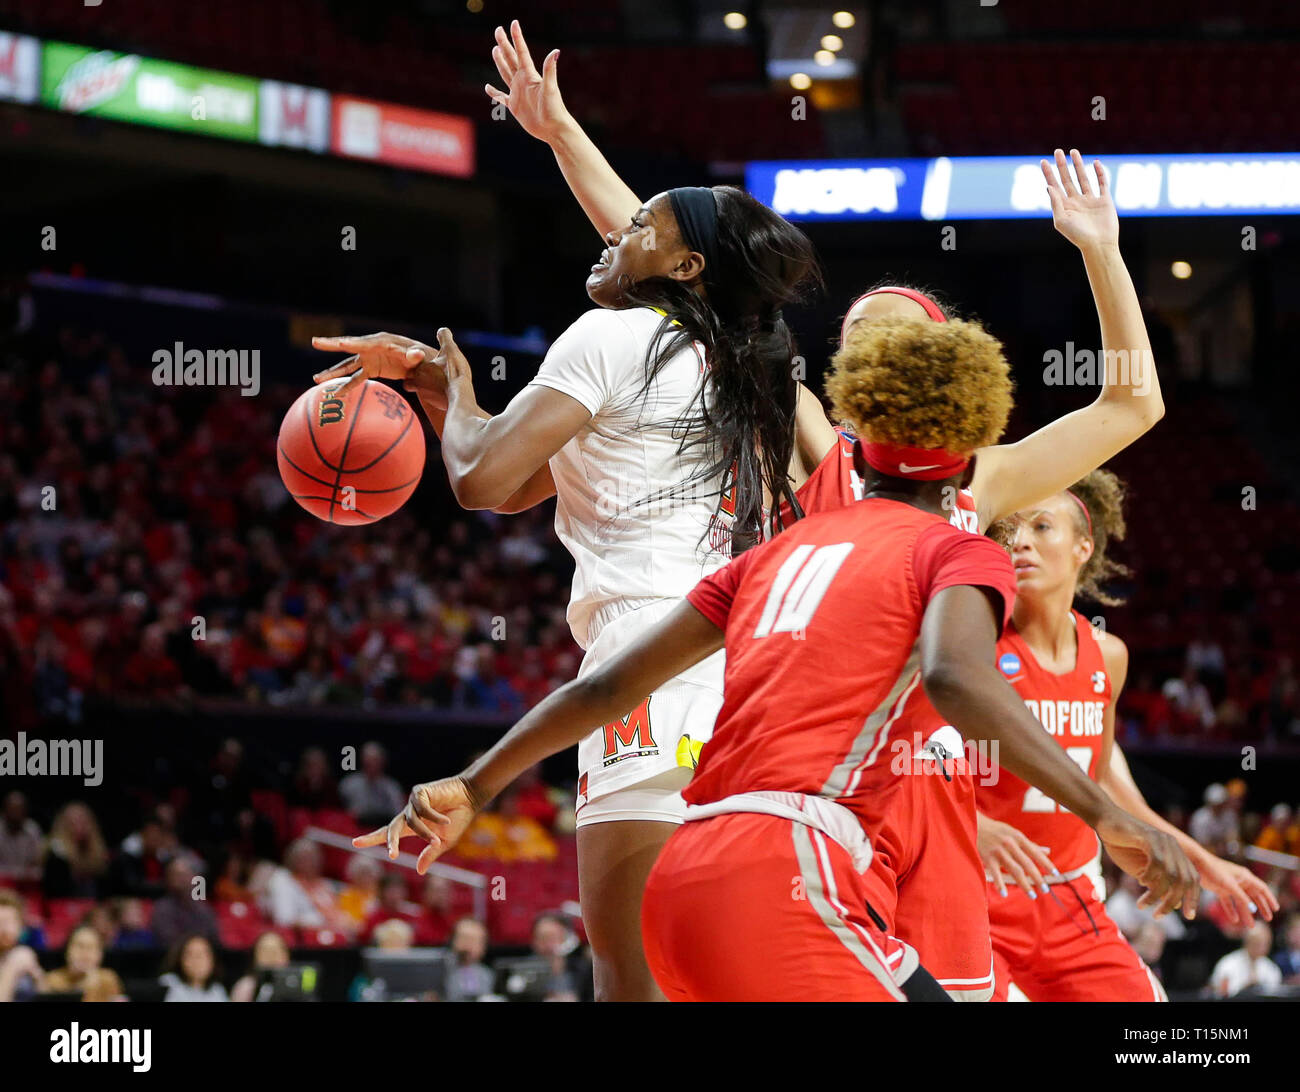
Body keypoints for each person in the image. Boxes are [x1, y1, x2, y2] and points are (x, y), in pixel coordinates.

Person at [357, 317, 1198, 1002]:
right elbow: (954, 675)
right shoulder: (956, 550)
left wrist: (474, 783)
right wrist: (1110, 813)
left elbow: (610, 686)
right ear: (975, 449)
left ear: (853, 439)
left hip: (689, 872)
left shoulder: (776, 548)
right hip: (791, 867)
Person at [314, 50, 820, 997]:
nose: (611, 234)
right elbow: (518, 489)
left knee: (630, 975)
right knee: (733, 973)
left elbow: (476, 478)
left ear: (681, 265)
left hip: (648, 663)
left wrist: (450, 386)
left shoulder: (611, 338)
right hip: (761, 675)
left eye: (636, 228)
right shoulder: (749, 371)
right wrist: (561, 135)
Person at [972, 470, 1271, 1001]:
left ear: (1083, 547)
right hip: (977, 896)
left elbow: (1115, 797)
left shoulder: (1108, 657)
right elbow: (918, 765)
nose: (1021, 540)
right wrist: (971, 825)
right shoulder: (974, 643)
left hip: (1071, 898)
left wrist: (1208, 865)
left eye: (1042, 527)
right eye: (1014, 528)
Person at [150, 856, 220, 949]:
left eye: (183, 875)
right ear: (167, 879)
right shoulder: (161, 908)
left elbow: (214, 938)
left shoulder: (204, 909)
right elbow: (167, 940)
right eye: (174, 875)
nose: (178, 880)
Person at [41, 924, 124, 999]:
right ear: (67, 950)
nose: (85, 953)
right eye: (80, 946)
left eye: (91, 947)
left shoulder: (108, 979)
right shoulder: (53, 979)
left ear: (100, 954)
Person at [338, 742, 406, 829]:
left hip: (383, 831)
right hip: (354, 830)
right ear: (362, 760)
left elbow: (399, 815)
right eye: (368, 759)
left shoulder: (392, 787)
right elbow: (341, 814)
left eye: (375, 760)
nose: (371, 763)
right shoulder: (348, 784)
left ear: (383, 761)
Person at [1208, 922, 1282, 997]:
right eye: (1257, 943)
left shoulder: (1271, 967)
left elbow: (1275, 993)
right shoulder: (1228, 964)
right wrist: (1245, 989)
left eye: (1265, 944)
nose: (1262, 948)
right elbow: (1220, 993)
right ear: (1247, 942)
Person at [0, 888, 43, 1001]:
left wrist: (37, 976)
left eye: (9, 921)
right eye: (0, 921)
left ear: (21, 926)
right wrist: (13, 966)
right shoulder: (18, 957)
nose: (4, 928)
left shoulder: (25, 954)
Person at [159, 933, 228, 1002]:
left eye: (202, 955)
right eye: (191, 954)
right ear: (180, 959)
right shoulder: (169, 984)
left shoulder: (217, 991)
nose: (197, 961)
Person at [443, 917, 495, 1002]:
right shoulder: (439, 971)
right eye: (464, 938)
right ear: (452, 941)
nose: (468, 945)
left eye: (474, 940)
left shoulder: (488, 975)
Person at [230, 930, 291, 1002]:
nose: (271, 957)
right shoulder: (245, 987)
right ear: (255, 957)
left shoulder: (298, 986)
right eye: (265, 951)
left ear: (287, 955)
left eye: (276, 951)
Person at [0, 791, 43, 883]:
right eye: (12, 809)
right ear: (4, 810)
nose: (15, 813)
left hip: (26, 883)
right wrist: (17, 873)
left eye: (19, 809)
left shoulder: (33, 829)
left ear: (25, 811)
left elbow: (38, 864)